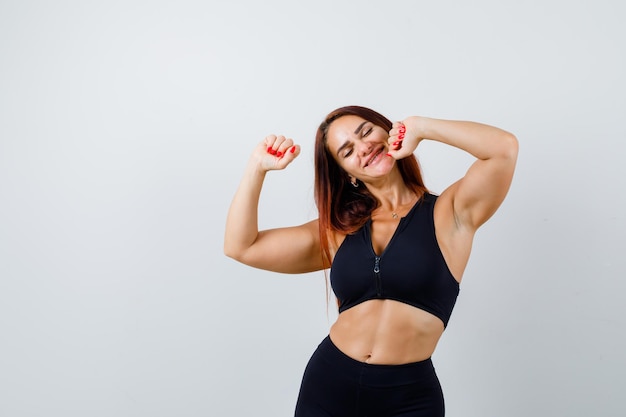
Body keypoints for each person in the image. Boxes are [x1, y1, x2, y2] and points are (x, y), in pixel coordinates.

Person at [224, 105, 518, 417]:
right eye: (347, 151)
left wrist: (422, 127)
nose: (364, 147)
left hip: (408, 399)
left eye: (366, 132)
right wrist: (257, 167)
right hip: (330, 385)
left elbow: (503, 149)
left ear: (386, 129)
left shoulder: (450, 213)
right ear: (347, 174)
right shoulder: (337, 232)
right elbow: (241, 246)